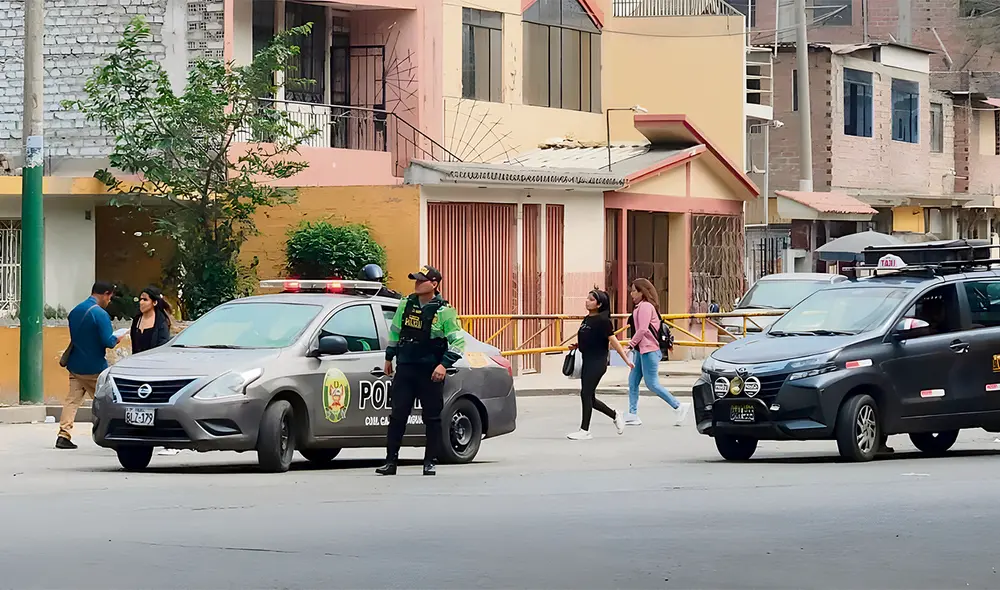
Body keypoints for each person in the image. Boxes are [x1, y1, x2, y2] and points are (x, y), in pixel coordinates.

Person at [377, 265, 465, 476]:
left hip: (430, 371)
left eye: (421, 280)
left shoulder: (445, 311)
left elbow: (457, 342)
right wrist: (389, 356)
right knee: (398, 415)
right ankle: (390, 462)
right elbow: (395, 331)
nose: (416, 284)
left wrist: (444, 365)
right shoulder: (405, 304)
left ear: (434, 284)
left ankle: (429, 461)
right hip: (406, 367)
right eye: (415, 280)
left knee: (432, 418)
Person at [57, 281, 126, 449]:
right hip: (94, 367)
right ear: (106, 294)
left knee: (72, 400)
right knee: (107, 400)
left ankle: (63, 434)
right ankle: (115, 434)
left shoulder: (75, 311)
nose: (109, 301)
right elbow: (107, 341)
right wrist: (117, 338)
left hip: (75, 364)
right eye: (110, 297)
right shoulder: (100, 314)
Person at [566, 289, 632, 441]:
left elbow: (614, 342)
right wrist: (578, 345)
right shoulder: (586, 320)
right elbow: (588, 338)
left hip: (598, 361)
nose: (587, 301)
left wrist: (626, 360)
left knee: (585, 394)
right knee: (590, 397)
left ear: (599, 304)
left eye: (591, 299)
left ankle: (585, 430)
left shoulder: (603, 322)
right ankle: (615, 415)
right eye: (587, 298)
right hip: (586, 360)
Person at [624, 278, 691, 427]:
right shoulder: (640, 307)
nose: (631, 293)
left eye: (634, 290)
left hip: (649, 350)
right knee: (633, 381)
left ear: (642, 292)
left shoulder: (646, 307)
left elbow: (642, 329)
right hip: (641, 351)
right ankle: (632, 414)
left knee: (652, 384)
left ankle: (678, 406)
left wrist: (629, 345)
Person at [130, 286, 173, 354]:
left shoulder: (161, 322)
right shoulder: (136, 320)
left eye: (145, 300)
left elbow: (162, 347)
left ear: (154, 302)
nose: (141, 302)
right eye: (140, 299)